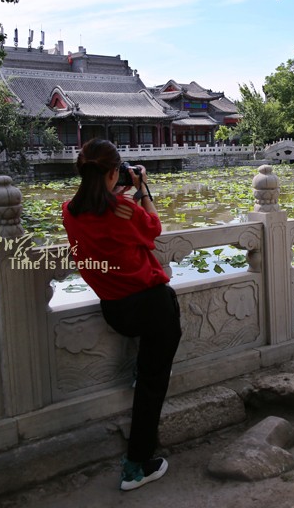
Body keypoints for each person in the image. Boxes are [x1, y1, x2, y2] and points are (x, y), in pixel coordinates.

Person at [61, 138, 181, 492]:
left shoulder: (69, 210)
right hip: (152, 307)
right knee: (152, 384)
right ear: (114, 172)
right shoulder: (122, 210)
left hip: (115, 309)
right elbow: (155, 230)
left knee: (149, 365)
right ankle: (136, 466)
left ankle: (142, 369)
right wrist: (143, 189)